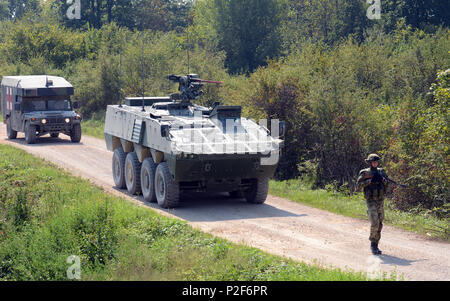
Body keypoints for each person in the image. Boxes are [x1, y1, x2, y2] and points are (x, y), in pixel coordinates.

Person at [356, 154, 389, 255]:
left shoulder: (381, 171)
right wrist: (370, 181)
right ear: (370, 162)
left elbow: (387, 184)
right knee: (374, 221)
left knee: (380, 223)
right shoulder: (365, 172)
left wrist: (382, 180)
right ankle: (373, 244)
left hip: (380, 200)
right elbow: (358, 186)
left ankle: (376, 244)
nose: (375, 163)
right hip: (371, 200)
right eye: (373, 162)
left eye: (376, 161)